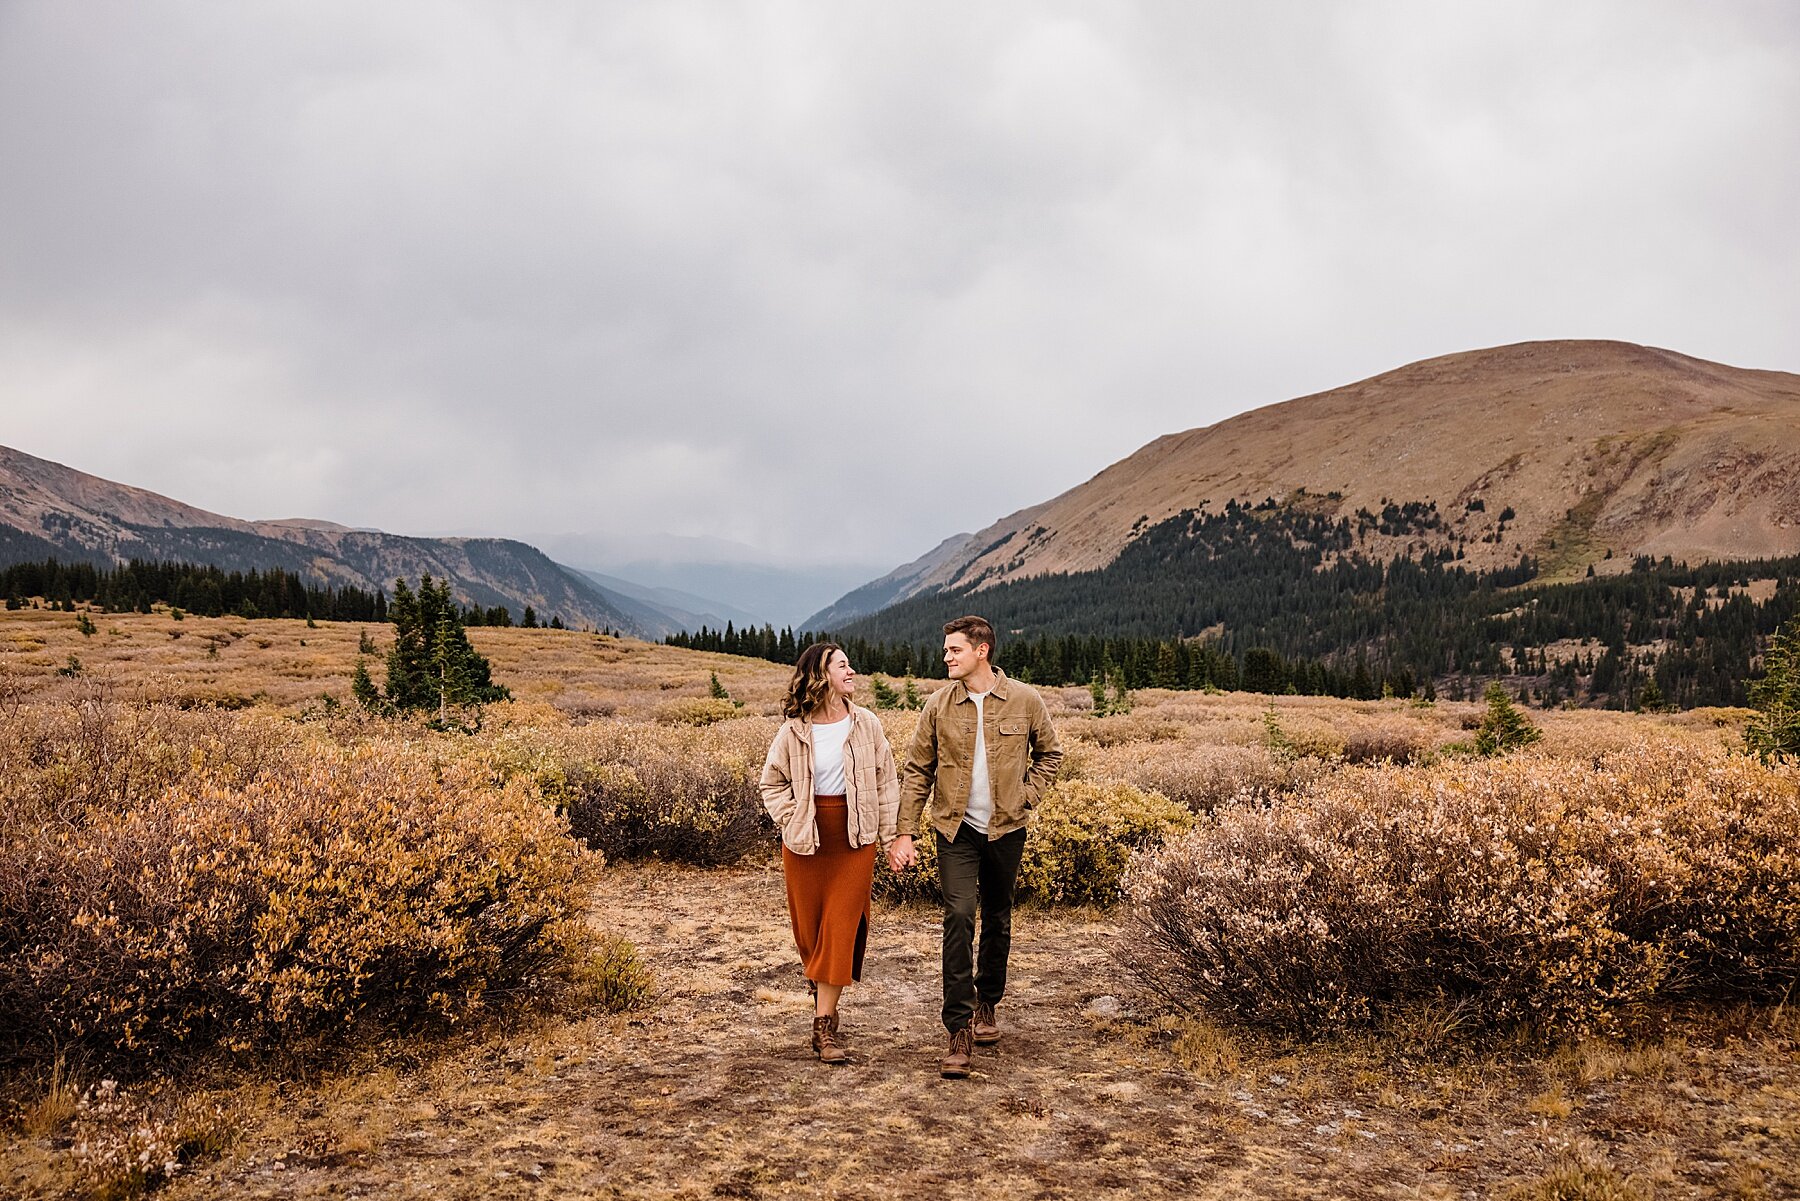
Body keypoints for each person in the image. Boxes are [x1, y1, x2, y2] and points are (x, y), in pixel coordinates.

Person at [887, 615, 1062, 1078]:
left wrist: (1027, 795)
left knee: (998, 917)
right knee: (960, 915)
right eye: (946, 650)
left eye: (954, 650)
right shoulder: (937, 705)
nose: (946, 657)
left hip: (1007, 828)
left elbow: (1050, 754)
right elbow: (918, 770)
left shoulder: (1024, 700)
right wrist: (905, 831)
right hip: (955, 829)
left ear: (981, 651)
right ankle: (959, 1029)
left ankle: (988, 1004)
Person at [760, 642, 900, 1064]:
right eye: (843, 666)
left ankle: (824, 1028)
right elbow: (771, 784)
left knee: (841, 927)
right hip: (806, 840)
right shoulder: (793, 731)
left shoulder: (867, 724)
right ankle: (820, 981)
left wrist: (892, 837)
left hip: (855, 837)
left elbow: (887, 782)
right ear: (821, 676)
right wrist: (792, 818)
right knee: (810, 933)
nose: (852, 671)